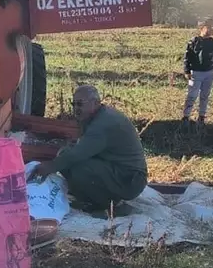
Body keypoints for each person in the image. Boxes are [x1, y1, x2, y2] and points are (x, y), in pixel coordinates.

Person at [27, 84, 148, 216]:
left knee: (78, 168)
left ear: (95, 103)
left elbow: (77, 154)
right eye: (74, 104)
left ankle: (110, 207)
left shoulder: (103, 124)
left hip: (130, 179)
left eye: (80, 104)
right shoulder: (97, 117)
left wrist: (49, 166)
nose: (76, 109)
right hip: (120, 171)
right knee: (67, 158)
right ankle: (93, 199)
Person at [182, 19, 213, 125]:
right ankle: (186, 116)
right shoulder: (193, 41)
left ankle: (201, 116)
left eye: (212, 28)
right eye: (208, 28)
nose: (210, 30)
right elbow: (187, 56)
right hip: (196, 72)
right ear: (202, 29)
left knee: (205, 95)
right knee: (192, 95)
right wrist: (187, 71)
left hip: (209, 72)